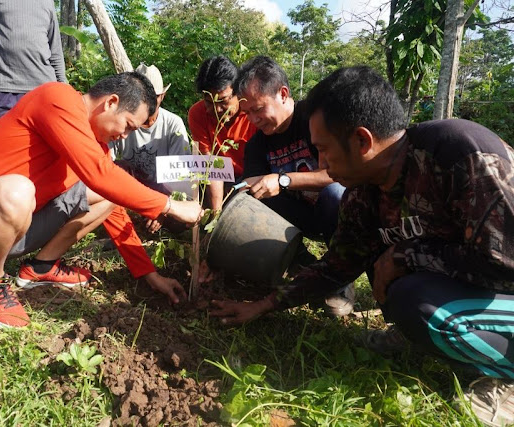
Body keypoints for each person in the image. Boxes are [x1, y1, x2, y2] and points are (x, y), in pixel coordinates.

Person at [210, 66, 514, 426]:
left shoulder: (461, 152)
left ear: (362, 141)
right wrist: (263, 305)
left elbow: (504, 263)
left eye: (323, 150)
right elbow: (338, 266)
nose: (320, 165)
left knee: (418, 301)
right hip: (470, 284)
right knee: (397, 282)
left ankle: (505, 378)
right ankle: (420, 333)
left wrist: (403, 256)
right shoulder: (365, 192)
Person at [0, 72, 202, 329]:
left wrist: (150, 275)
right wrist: (170, 206)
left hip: (17, 228)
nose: (125, 136)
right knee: (17, 190)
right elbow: (100, 175)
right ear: (111, 102)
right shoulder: (58, 98)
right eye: (128, 126)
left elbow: (113, 203)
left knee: (108, 193)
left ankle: (41, 267)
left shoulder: (94, 145)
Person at [230, 55, 352, 317]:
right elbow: (252, 189)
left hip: (336, 211)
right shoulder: (257, 144)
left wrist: (284, 180)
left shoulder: (316, 118)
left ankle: (341, 275)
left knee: (334, 193)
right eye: (247, 113)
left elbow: (341, 174)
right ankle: (302, 262)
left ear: (283, 93)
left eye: (258, 109)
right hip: (298, 219)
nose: (253, 120)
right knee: (252, 196)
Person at [110, 64, 192, 233]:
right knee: (117, 167)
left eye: (153, 97)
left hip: (165, 195)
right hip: (133, 192)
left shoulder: (172, 124)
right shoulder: (121, 121)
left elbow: (181, 177)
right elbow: (104, 163)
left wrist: (163, 208)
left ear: (162, 96)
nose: (148, 104)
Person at [188, 55, 256, 211]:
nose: (217, 110)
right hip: (219, 181)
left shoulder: (253, 113)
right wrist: (216, 216)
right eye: (209, 102)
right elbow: (211, 166)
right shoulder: (197, 114)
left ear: (238, 92)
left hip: (251, 179)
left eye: (223, 101)